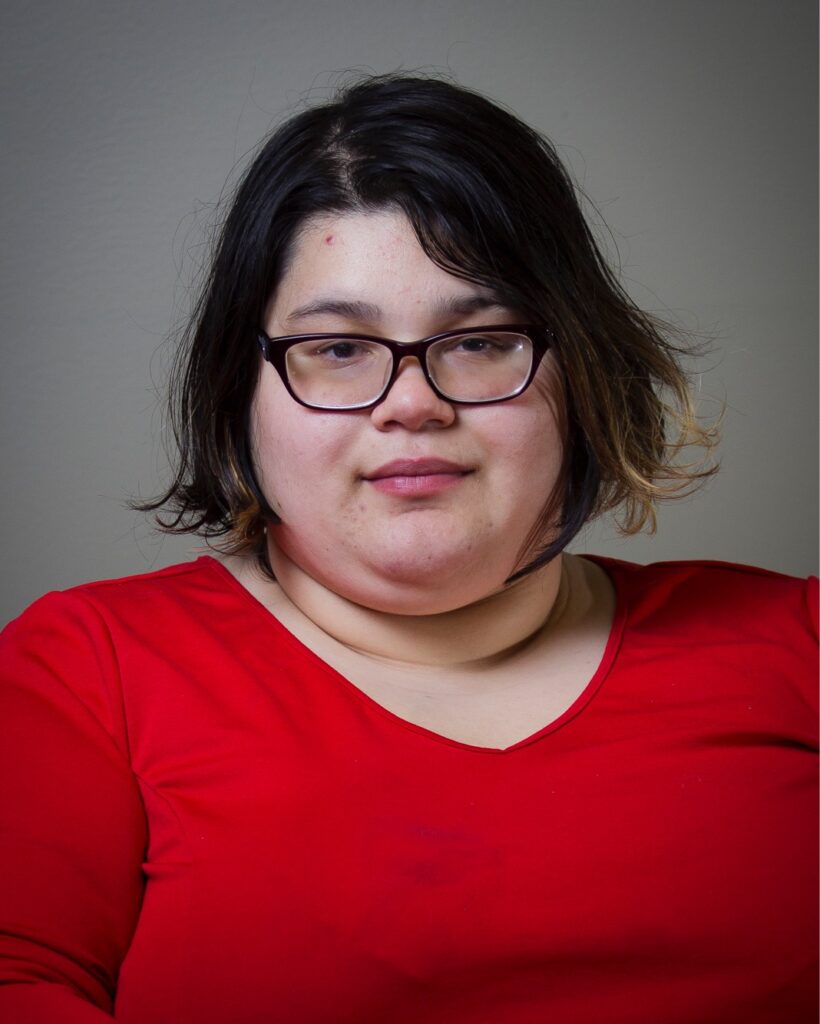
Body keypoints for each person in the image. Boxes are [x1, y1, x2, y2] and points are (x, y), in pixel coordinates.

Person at [0, 74, 816, 1024]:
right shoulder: (85, 674)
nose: (413, 402)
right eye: (338, 349)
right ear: (240, 392)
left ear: (582, 371)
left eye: (479, 341)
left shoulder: (794, 640)